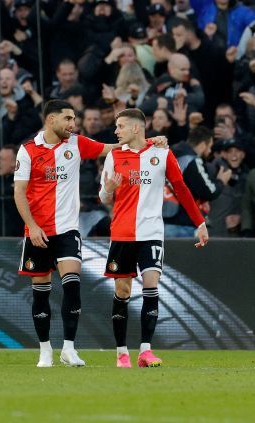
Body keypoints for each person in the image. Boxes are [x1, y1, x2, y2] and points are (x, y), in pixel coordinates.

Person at [13, 100, 166, 368]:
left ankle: (69, 348)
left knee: (72, 284)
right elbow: (19, 192)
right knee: (41, 292)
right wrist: (33, 226)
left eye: (74, 119)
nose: (73, 124)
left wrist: (148, 139)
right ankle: (45, 351)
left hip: (68, 230)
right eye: (68, 119)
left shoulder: (76, 144)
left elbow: (114, 147)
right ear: (51, 120)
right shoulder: (27, 151)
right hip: (37, 231)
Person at [99, 108, 208, 368]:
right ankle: (121, 353)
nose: (116, 131)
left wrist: (200, 223)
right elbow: (103, 197)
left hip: (151, 233)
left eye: (121, 126)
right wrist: (109, 190)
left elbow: (181, 188)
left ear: (136, 128)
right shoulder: (114, 156)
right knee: (122, 291)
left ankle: (145, 351)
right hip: (122, 234)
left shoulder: (161, 153)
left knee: (151, 285)